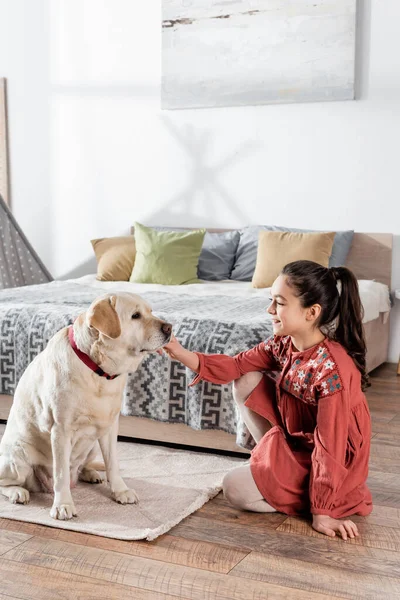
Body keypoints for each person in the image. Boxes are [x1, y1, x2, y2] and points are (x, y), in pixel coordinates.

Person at [161, 260, 373, 540]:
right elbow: (236, 366)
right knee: (246, 378)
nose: (269, 310)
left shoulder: (332, 370)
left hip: (329, 463)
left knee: (234, 488)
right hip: (297, 443)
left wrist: (322, 512)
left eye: (279, 303)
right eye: (271, 301)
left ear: (311, 312)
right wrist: (181, 353)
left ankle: (302, 491)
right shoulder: (283, 344)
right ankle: (273, 469)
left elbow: (330, 448)